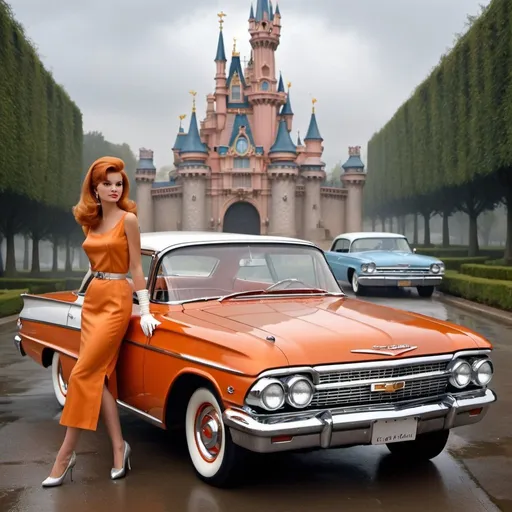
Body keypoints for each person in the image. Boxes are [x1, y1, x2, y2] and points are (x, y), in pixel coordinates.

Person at [42, 156, 161, 487]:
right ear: (94, 188)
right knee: (102, 377)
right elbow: (93, 266)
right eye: (107, 183)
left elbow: (136, 268)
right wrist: (82, 296)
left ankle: (64, 456)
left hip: (117, 299)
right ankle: (119, 447)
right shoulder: (89, 223)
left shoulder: (129, 220)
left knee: (82, 372)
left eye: (118, 183)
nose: (113, 188)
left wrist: (146, 310)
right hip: (93, 299)